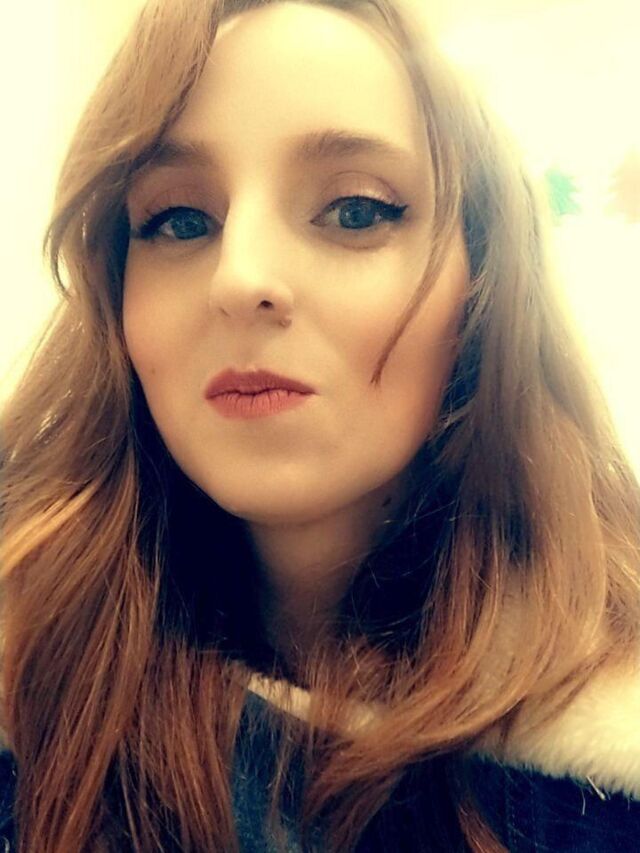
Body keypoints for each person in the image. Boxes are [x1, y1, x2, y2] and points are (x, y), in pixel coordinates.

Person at [1, 0, 639, 850]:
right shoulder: (27, 695)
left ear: (485, 280)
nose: (241, 277)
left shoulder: (605, 772)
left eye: (356, 210)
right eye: (179, 220)